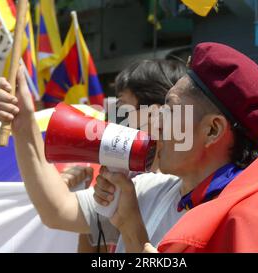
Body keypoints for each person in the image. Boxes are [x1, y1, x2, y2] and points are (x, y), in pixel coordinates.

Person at [0, 42, 258, 253]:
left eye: (170, 110)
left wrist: (132, 230)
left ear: (212, 130)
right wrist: (25, 127)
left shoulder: (241, 221)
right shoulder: (152, 188)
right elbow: (57, 210)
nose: (154, 121)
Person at [61, 59, 186, 252]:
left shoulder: (177, 189)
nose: (113, 122)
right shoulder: (126, 178)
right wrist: (94, 205)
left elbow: (55, 210)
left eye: (122, 111)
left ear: (154, 114)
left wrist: (25, 129)